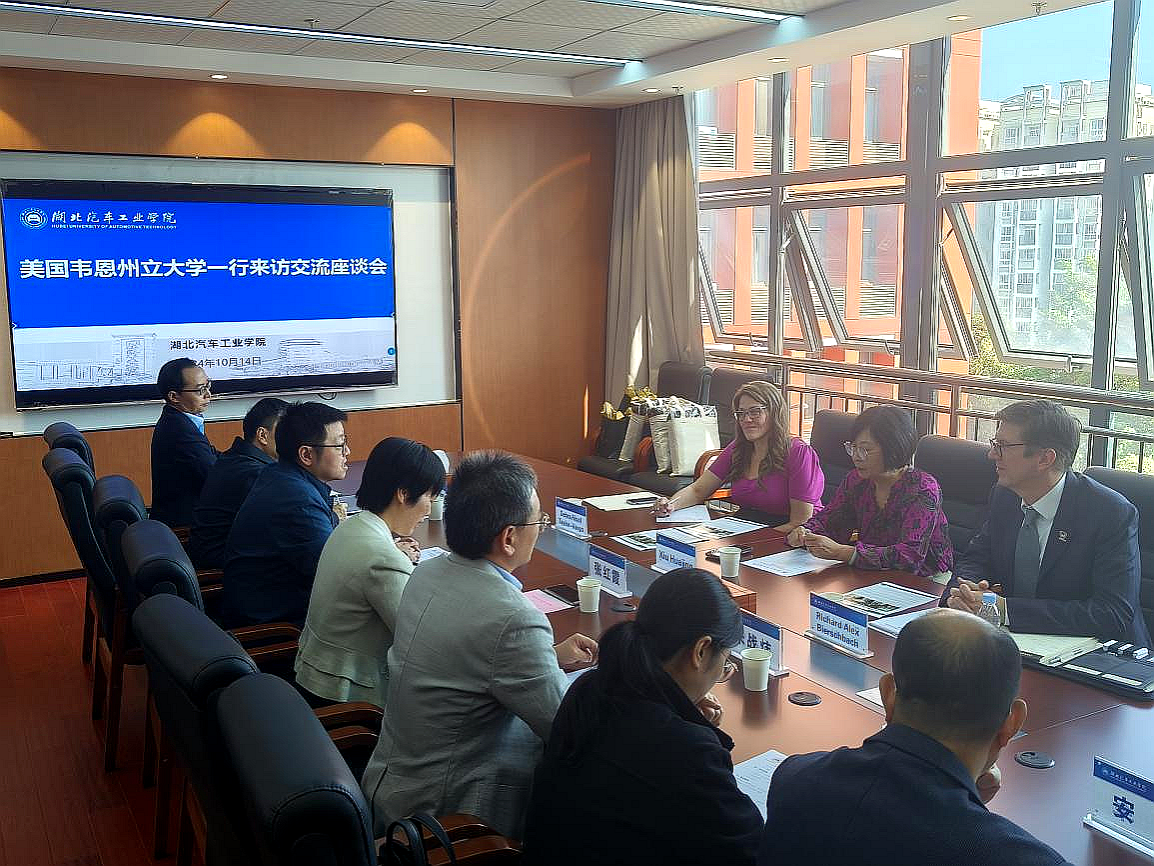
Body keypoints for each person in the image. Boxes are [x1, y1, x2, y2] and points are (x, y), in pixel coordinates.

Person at [362, 451, 598, 839]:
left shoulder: (427, 573)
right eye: (538, 521)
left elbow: (470, 660)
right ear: (509, 538)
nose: (541, 528)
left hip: (391, 783)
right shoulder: (514, 618)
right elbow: (566, 728)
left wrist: (548, 657)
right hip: (446, 817)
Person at [758, 608, 1073, 866]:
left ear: (887, 695)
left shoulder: (795, 780)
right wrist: (966, 803)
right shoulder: (1019, 857)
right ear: (1012, 723)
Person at [522, 567, 762, 866]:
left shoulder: (590, 689)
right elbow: (749, 850)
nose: (718, 676)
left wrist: (685, 717)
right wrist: (696, 734)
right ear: (701, 651)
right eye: (724, 664)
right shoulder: (686, 750)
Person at [944, 400, 1149, 644]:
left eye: (1003, 446)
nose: (992, 454)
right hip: (1018, 641)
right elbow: (976, 558)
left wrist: (1007, 610)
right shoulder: (1005, 496)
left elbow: (1112, 612)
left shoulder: (1110, 513)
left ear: (1044, 459)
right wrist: (963, 595)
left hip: (1098, 654)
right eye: (994, 444)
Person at [295, 437, 446, 707]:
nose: (429, 509)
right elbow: (423, 642)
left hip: (316, 671)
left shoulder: (352, 526)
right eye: (430, 497)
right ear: (403, 494)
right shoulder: (383, 559)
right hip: (347, 701)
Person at [220, 401, 348, 628]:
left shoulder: (280, 474)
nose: (347, 452)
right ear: (306, 454)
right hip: (277, 627)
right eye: (340, 445)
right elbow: (338, 575)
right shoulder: (297, 501)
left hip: (269, 606)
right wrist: (388, 556)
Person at [787, 405, 953, 578]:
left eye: (865, 450)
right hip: (869, 571)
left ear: (893, 448)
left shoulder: (922, 488)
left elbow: (910, 557)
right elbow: (831, 521)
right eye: (853, 447)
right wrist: (806, 532)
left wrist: (844, 553)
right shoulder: (856, 480)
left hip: (926, 579)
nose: (856, 457)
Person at [655, 381, 823, 532]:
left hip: (786, 533)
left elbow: (800, 522)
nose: (746, 419)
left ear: (774, 413)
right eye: (741, 413)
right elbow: (697, 490)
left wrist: (751, 539)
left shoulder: (799, 453)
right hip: (746, 526)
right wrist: (671, 505)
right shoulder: (739, 448)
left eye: (755, 412)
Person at [187, 397, 288, 569]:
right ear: (263, 435)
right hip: (221, 561)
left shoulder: (236, 458)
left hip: (215, 549)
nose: (294, 440)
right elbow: (284, 525)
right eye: (287, 433)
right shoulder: (254, 474)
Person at [150, 358, 218, 527]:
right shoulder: (180, 431)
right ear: (174, 397)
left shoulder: (179, 419)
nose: (208, 395)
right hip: (184, 527)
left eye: (208, 386)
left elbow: (212, 456)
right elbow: (214, 476)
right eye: (200, 390)